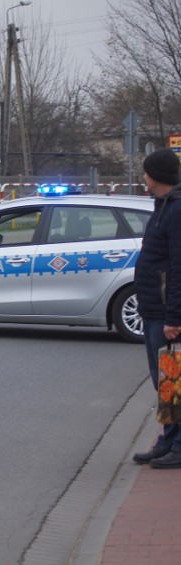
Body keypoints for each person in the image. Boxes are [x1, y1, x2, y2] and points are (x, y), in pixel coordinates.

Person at [132, 147, 181, 469]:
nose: (143, 177)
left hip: (165, 313)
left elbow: (178, 266)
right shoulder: (162, 205)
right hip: (154, 308)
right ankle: (168, 439)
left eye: (145, 171)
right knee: (163, 379)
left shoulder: (177, 210)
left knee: (172, 379)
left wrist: (174, 317)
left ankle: (178, 445)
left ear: (156, 176)